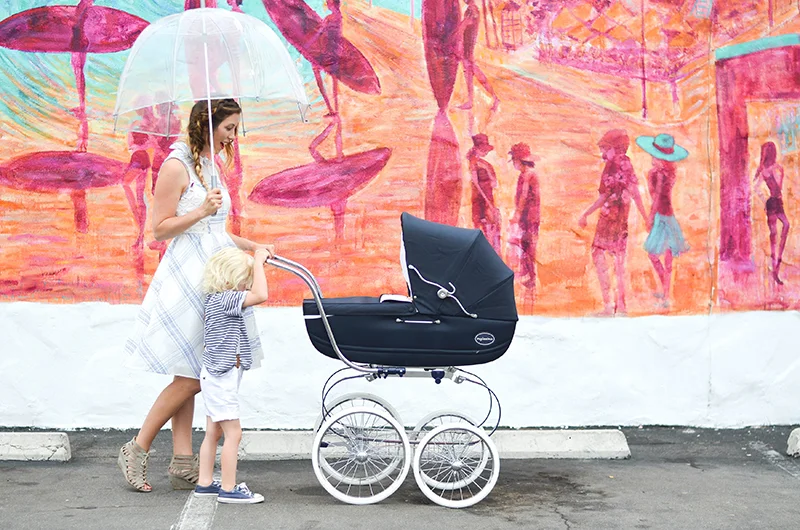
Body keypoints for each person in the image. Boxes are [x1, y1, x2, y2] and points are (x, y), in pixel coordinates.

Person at [119, 98, 275, 493]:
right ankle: (136, 448)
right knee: (191, 376)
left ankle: (183, 461)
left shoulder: (210, 164)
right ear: (207, 125)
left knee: (189, 371)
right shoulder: (176, 166)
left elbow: (217, 232)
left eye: (236, 128)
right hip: (188, 277)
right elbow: (159, 229)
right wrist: (201, 211)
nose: (233, 136)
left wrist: (253, 246)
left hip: (213, 274)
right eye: (228, 128)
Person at [192, 247, 269, 503]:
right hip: (220, 378)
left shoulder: (215, 299)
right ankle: (228, 489)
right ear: (230, 280)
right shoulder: (226, 299)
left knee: (213, 432)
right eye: (244, 280)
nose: (247, 285)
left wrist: (257, 266)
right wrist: (258, 262)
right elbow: (261, 294)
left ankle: (205, 483)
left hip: (215, 376)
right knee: (233, 433)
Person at [579, 130, 648, 316]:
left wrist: (585, 214)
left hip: (608, 218)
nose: (602, 153)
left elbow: (604, 196)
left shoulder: (610, 167)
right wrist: (645, 217)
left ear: (614, 148)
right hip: (622, 220)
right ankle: (621, 305)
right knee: (619, 260)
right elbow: (635, 193)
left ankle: (609, 304)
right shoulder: (627, 165)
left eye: (604, 148)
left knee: (598, 253)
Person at [635, 133, 689, 307]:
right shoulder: (662, 174)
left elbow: (658, 198)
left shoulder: (660, 175)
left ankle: (666, 295)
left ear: (663, 160)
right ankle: (665, 292)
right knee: (666, 257)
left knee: (656, 255)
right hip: (667, 217)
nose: (652, 158)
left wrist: (650, 218)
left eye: (655, 156)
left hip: (662, 217)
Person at [754, 141, 790, 285]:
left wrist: (766, 199)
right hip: (772, 203)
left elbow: (778, 187)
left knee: (785, 226)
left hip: (777, 202)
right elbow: (757, 187)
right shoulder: (767, 170)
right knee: (774, 234)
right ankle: (775, 266)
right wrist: (765, 199)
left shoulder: (775, 169)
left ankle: (777, 263)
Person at [455, 0, 500, 112]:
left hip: (468, 47)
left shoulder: (472, 10)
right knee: (469, 74)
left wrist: (458, 30)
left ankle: (494, 98)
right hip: (467, 46)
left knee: (474, 73)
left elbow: (465, 25)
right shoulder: (472, 9)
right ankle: (471, 101)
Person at [509, 142, 540, 291]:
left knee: (529, 246)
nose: (513, 164)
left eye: (514, 160)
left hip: (530, 217)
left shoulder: (528, 175)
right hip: (527, 217)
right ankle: (527, 273)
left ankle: (531, 277)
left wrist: (517, 214)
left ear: (519, 160)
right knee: (525, 244)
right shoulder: (524, 174)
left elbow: (523, 196)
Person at [467, 133, 502, 254]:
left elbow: (493, 184)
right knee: (486, 230)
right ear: (477, 148)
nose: (486, 152)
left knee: (491, 230)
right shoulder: (474, 163)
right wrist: (489, 204)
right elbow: (476, 184)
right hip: (482, 201)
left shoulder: (483, 163)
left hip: (487, 199)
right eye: (484, 149)